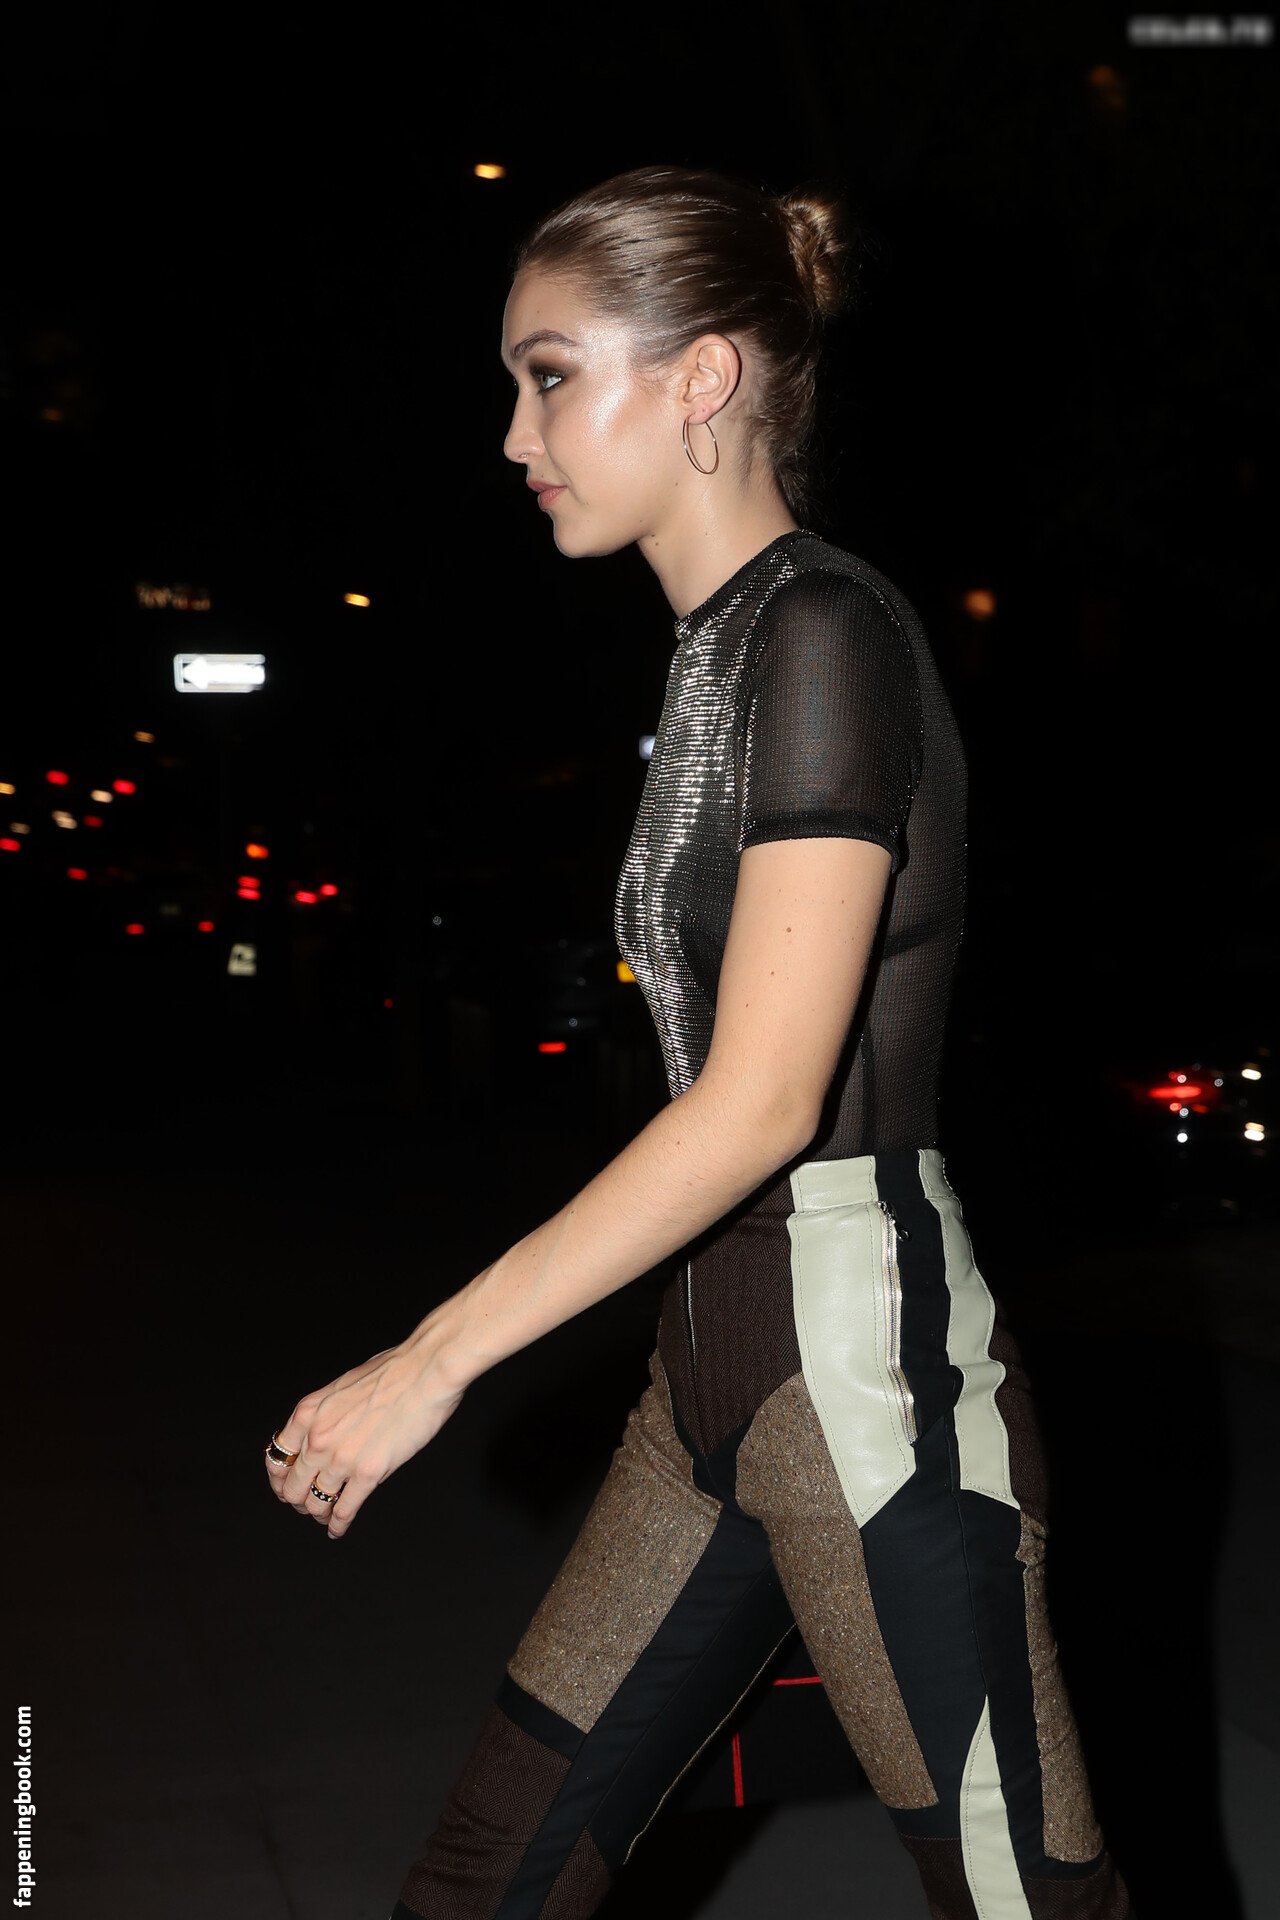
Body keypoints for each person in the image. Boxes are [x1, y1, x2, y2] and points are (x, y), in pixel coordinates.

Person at [264, 166, 1130, 1920]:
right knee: (488, 1881)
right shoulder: (721, 648)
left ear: (704, 379)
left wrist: (434, 1359)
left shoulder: (822, 633)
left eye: (551, 376)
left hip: (863, 1384)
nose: (517, 435)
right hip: (711, 1380)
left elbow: (759, 1104)